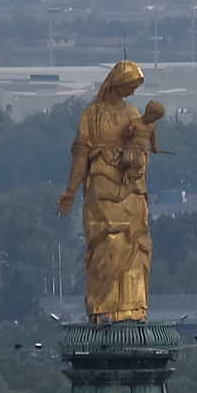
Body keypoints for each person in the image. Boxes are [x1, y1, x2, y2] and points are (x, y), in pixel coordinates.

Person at [57, 63, 155, 322]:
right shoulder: (92, 115)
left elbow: (143, 146)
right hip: (102, 187)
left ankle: (134, 308)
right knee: (107, 243)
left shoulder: (133, 113)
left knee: (137, 245)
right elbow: (80, 155)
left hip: (132, 189)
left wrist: (138, 160)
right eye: (130, 86)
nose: (132, 92)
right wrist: (70, 192)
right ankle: (103, 307)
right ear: (117, 83)